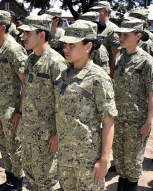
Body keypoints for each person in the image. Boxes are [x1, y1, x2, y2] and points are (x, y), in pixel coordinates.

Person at [53, 21, 117, 190]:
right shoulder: (64, 76)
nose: (65, 49)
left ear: (88, 46)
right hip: (65, 156)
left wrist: (104, 160)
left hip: (87, 159)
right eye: (65, 44)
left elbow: (109, 122)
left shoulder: (98, 78)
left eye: (72, 45)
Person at [16, 15, 67, 190]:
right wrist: (20, 113)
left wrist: (58, 135)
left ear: (42, 35)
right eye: (23, 33)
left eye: (28, 33)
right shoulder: (30, 59)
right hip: (29, 130)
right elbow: (26, 90)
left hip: (47, 136)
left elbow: (65, 103)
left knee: (47, 181)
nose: (23, 37)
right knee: (31, 176)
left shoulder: (56, 63)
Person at [0, 10, 27, 191]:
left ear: (3, 27)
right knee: (4, 146)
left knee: (14, 149)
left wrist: (20, 111)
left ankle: (17, 183)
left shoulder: (14, 49)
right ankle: (9, 181)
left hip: (10, 111)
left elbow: (26, 83)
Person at [113, 19, 153, 191]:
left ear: (138, 36)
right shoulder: (121, 57)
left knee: (133, 161)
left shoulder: (146, 61)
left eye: (125, 35)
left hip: (136, 120)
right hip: (118, 118)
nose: (121, 38)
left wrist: (148, 121)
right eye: (120, 34)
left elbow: (152, 93)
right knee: (120, 159)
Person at [90, 1, 121, 77]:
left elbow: (116, 56)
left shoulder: (113, 29)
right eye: (93, 10)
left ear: (106, 11)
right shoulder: (93, 26)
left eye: (97, 10)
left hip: (104, 72)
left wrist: (110, 76)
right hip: (91, 71)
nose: (94, 12)